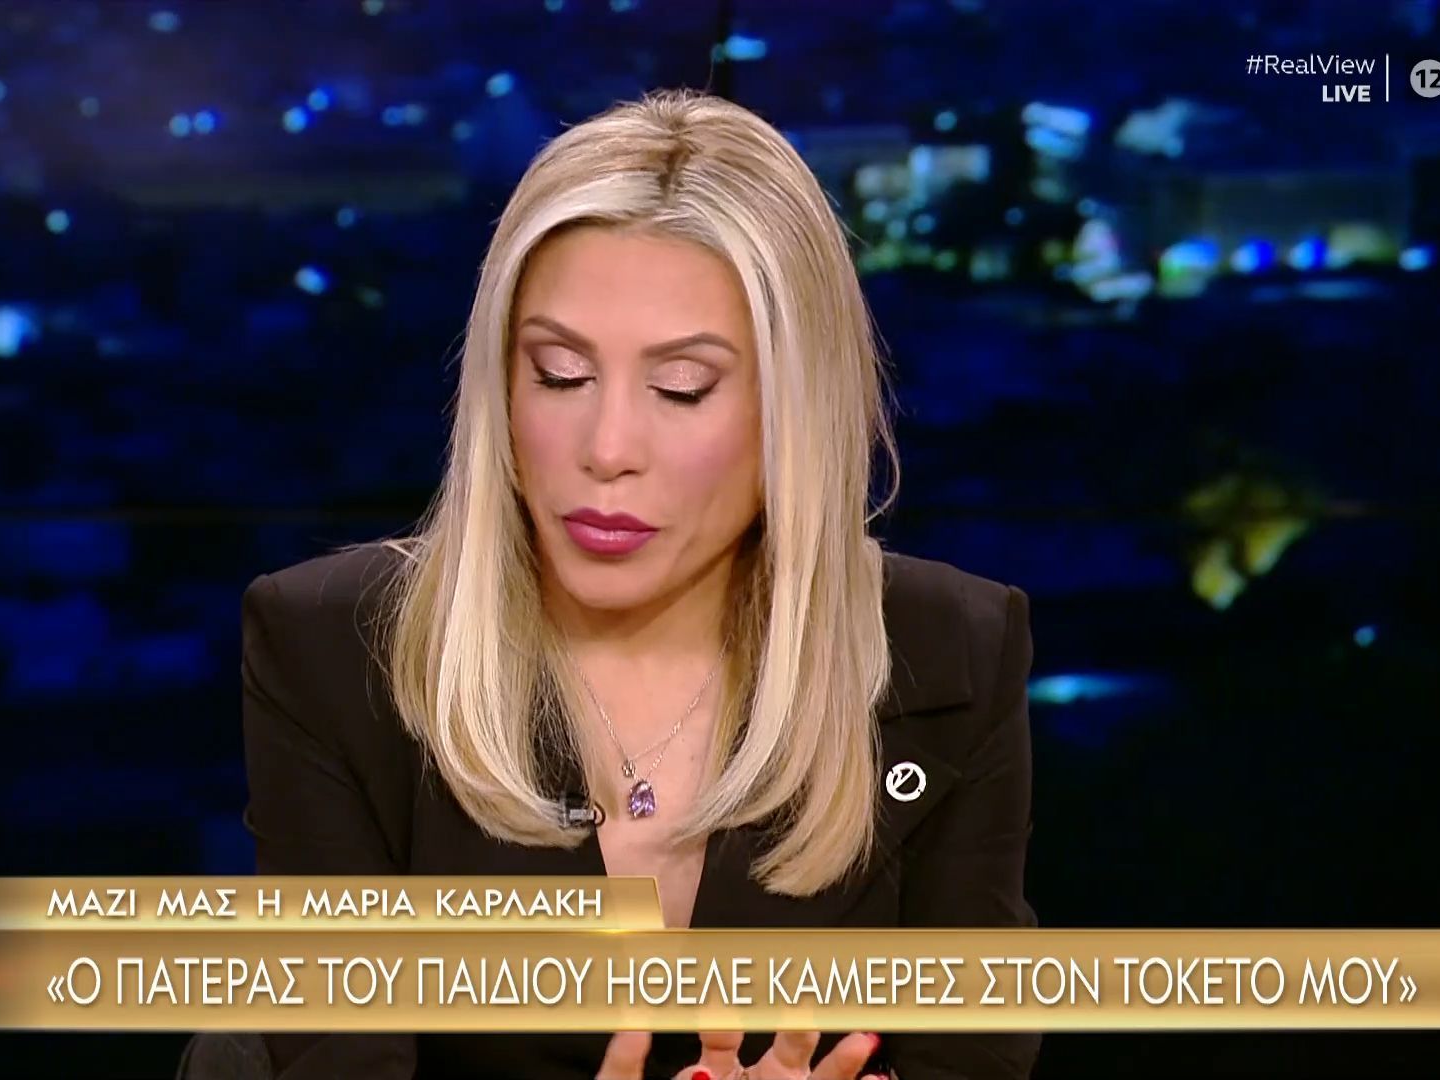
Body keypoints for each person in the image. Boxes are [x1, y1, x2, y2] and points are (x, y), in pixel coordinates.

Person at [239, 88, 1038, 1080]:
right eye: (560, 375)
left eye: (681, 388)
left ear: (796, 409)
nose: (607, 447)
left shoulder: (952, 653)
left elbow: (969, 1053)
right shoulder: (328, 648)